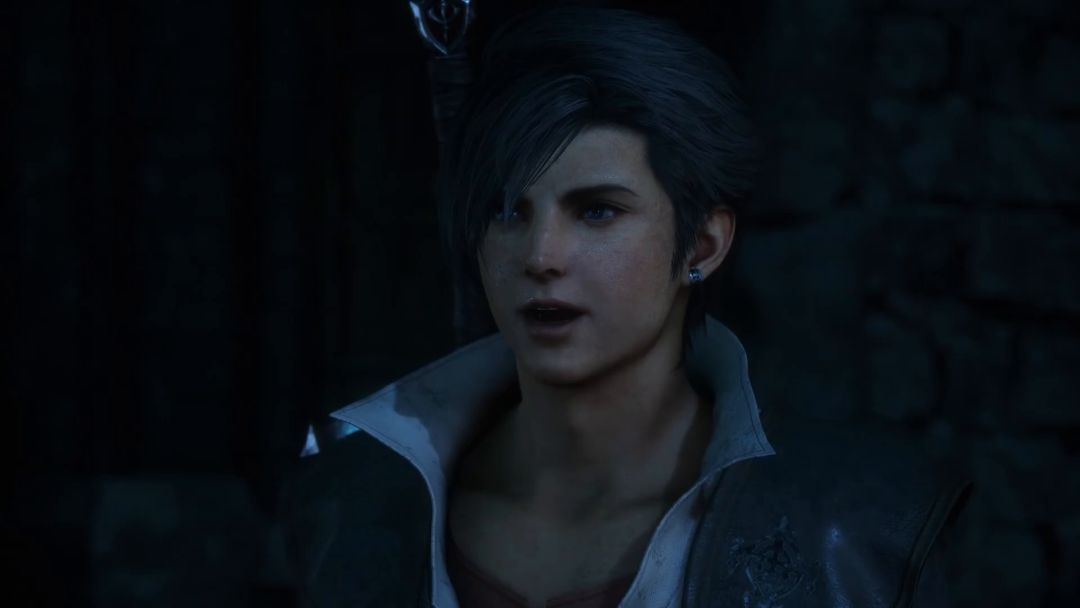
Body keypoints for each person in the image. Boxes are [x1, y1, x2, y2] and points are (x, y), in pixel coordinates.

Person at [281, 4, 972, 607]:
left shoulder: (854, 536)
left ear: (702, 244)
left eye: (597, 211)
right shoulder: (348, 514)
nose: (541, 255)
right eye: (508, 211)